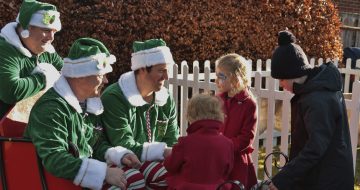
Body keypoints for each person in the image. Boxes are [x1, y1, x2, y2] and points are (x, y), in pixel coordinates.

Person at [24, 38, 146, 190]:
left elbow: (93, 144)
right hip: (56, 182)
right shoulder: (51, 109)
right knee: (126, 184)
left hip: (77, 179)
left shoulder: (88, 105)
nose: (107, 81)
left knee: (136, 178)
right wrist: (103, 173)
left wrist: (116, 154)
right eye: (102, 75)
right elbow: (55, 160)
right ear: (81, 74)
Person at [268, 30, 354, 190]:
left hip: (328, 180)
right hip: (323, 175)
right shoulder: (315, 91)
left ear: (293, 74)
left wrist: (284, 179)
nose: (280, 84)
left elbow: (315, 147)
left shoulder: (317, 99)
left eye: (281, 79)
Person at [101, 38, 180, 189]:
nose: (166, 77)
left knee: (174, 174)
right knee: (138, 180)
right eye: (161, 70)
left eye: (167, 70)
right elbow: (123, 143)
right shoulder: (115, 97)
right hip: (121, 161)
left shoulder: (166, 97)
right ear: (142, 69)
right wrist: (162, 151)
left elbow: (172, 137)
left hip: (153, 162)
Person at [0, 0, 63, 120]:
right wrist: (43, 78)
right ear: (27, 27)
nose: (51, 37)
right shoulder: (4, 49)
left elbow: (68, 73)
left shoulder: (47, 51)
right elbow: (11, 91)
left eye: (54, 32)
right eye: (46, 30)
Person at [164, 93, 234, 190]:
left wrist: (167, 156)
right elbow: (227, 171)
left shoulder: (185, 142)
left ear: (191, 116)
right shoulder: (227, 143)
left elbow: (170, 166)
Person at [215, 53, 258, 190]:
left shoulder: (248, 104)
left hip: (237, 163)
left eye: (221, 76)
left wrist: (224, 145)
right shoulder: (217, 100)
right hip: (218, 159)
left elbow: (246, 138)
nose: (216, 80)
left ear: (236, 79)